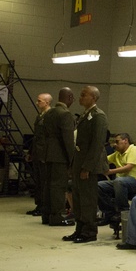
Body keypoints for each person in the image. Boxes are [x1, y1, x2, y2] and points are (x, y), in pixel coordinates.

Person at [63, 86, 108, 243]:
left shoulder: (98, 116)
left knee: (88, 199)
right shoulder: (85, 115)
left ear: (93, 98)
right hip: (79, 162)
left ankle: (89, 232)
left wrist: (87, 167)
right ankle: (79, 229)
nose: (80, 98)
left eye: (83, 95)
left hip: (88, 165)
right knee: (78, 198)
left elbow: (97, 145)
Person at [97, 133, 136, 235]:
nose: (115, 145)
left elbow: (128, 167)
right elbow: (104, 160)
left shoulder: (134, 150)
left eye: (117, 142)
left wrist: (110, 171)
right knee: (99, 186)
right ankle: (110, 213)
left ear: (125, 140)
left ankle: (122, 212)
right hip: (122, 184)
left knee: (119, 181)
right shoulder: (118, 154)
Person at [42, 87, 76, 227]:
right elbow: (68, 140)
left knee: (48, 186)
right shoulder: (65, 114)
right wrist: (72, 159)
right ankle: (57, 216)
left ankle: (47, 215)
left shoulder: (49, 113)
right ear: (69, 98)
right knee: (58, 187)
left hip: (48, 153)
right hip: (60, 156)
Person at [26, 93, 52, 217]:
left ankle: (44, 206)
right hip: (37, 152)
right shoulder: (40, 116)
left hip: (44, 154)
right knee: (37, 181)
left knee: (43, 181)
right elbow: (36, 137)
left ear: (47, 102)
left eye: (39, 101)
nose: (37, 103)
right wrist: (31, 152)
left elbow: (48, 138)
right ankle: (39, 204)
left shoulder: (50, 116)